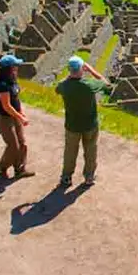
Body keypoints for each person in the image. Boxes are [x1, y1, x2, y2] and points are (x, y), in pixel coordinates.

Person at [55, 56, 110, 187]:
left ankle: (67, 177)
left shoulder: (64, 86)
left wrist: (69, 76)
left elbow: (58, 88)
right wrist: (91, 70)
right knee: (90, 151)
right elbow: (106, 83)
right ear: (81, 69)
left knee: (70, 151)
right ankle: (89, 177)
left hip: (72, 125)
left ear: (69, 70)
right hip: (90, 124)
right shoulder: (89, 84)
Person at [0, 54, 34, 179]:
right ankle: (2, 166)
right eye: (15, 66)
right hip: (5, 118)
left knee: (22, 144)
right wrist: (20, 117)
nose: (17, 68)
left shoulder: (13, 81)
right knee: (13, 146)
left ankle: (20, 169)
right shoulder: (3, 85)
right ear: (9, 68)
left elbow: (16, 99)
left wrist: (21, 112)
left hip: (15, 116)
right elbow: (6, 106)